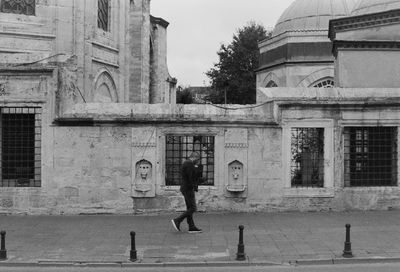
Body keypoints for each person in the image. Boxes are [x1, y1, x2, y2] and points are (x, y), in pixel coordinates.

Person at [171, 152, 202, 233]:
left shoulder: (187, 163)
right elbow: (192, 177)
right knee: (193, 208)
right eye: (198, 159)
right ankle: (177, 220)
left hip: (186, 188)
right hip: (188, 188)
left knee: (189, 208)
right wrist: (197, 168)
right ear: (194, 157)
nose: (198, 161)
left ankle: (191, 227)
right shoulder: (189, 164)